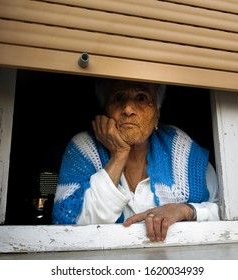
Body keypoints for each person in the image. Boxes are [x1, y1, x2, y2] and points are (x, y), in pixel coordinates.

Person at [52, 78, 220, 242]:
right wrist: (119, 154)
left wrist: (186, 210)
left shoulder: (182, 149)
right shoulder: (84, 148)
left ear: (157, 115)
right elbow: (69, 230)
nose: (128, 109)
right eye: (118, 98)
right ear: (105, 113)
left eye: (141, 98)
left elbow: (226, 209)